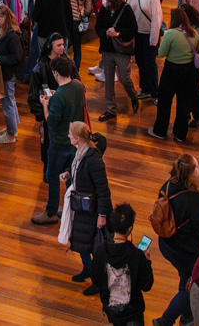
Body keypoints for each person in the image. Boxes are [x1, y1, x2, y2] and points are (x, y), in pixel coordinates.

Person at [152, 153, 199, 326]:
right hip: (184, 250)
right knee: (192, 284)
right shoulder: (195, 201)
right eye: (197, 166)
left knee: (185, 276)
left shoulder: (167, 185)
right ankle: (165, 321)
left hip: (166, 243)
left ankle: (187, 317)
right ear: (191, 173)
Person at [33, 56, 84, 226]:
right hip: (76, 143)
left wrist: (46, 105)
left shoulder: (58, 97)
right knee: (70, 177)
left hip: (59, 144)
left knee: (52, 176)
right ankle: (71, 208)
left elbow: (51, 122)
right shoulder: (77, 86)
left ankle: (51, 212)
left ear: (55, 73)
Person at [65, 120, 113, 294]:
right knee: (79, 242)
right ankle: (88, 269)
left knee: (93, 247)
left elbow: (103, 190)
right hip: (81, 207)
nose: (68, 136)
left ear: (78, 138)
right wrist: (68, 175)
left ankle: (98, 280)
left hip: (92, 211)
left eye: (70, 134)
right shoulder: (78, 152)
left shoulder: (94, 160)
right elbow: (78, 173)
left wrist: (102, 215)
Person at [147, 3, 199, 143]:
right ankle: (179, 134)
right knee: (184, 104)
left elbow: (161, 53)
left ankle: (160, 131)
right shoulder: (194, 33)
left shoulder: (171, 34)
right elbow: (197, 47)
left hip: (172, 70)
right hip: (189, 71)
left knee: (165, 102)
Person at [93, 202, 156, 326]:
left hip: (112, 311)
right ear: (130, 229)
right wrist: (147, 263)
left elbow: (96, 279)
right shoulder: (137, 255)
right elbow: (146, 285)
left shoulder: (100, 251)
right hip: (133, 312)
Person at [97, 0, 142, 119]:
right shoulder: (104, 10)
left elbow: (133, 29)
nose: (103, 0)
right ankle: (110, 109)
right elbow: (98, 26)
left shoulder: (125, 9)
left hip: (121, 50)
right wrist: (105, 33)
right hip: (107, 49)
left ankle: (133, 96)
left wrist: (118, 34)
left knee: (124, 78)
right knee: (109, 80)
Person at [0, 2, 24, 142]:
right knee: (10, 100)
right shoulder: (6, 31)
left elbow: (16, 57)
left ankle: (11, 134)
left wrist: (0, 58)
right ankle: (12, 129)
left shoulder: (12, 35)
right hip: (8, 72)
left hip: (9, 73)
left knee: (7, 102)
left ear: (4, 17)